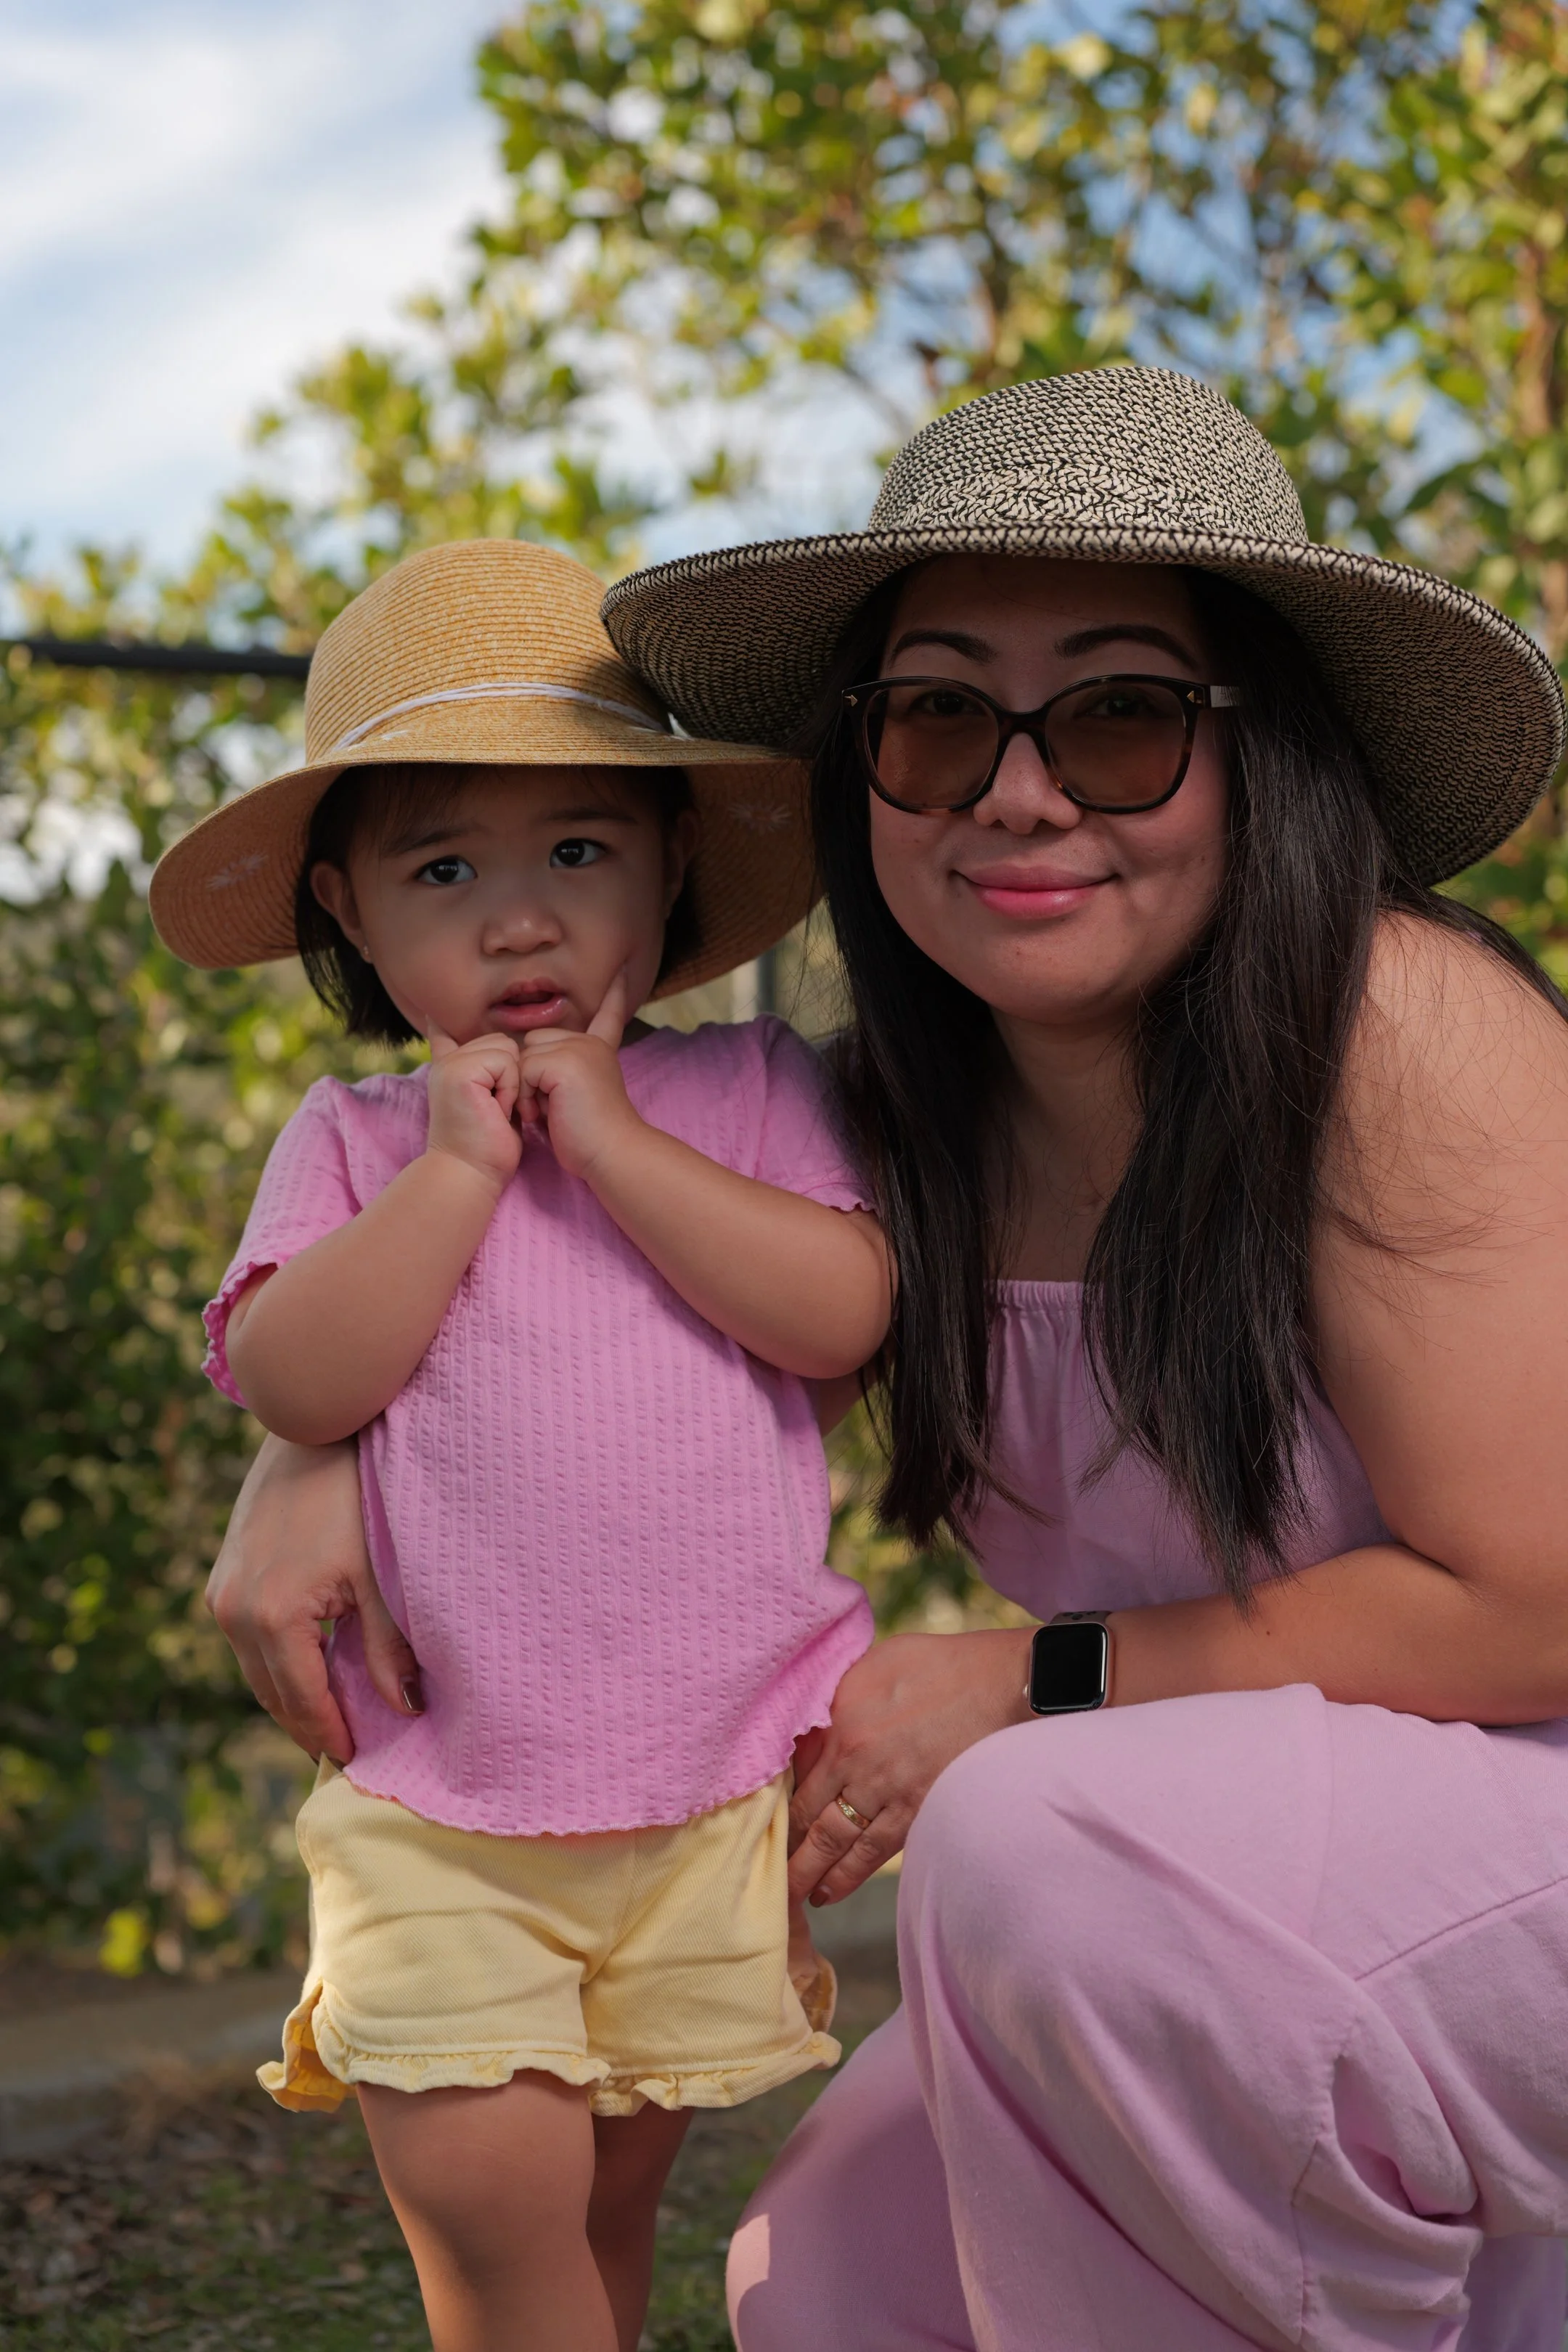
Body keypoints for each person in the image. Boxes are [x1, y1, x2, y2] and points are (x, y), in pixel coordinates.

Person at [597, 365, 1568, 2351]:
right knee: (824, 2276)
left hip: (1515, 1822)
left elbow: (1542, 1605)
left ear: (1259, 756)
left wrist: (1034, 1685)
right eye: (939, 714)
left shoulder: (1396, 1025)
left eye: (1123, 716)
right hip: (1247, 1883)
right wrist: (308, 1470)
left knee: (1040, 1845)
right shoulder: (873, 1128)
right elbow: (528, 1260)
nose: (1015, 792)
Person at [149, 538, 891, 2352]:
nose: (517, 919)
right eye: (442, 869)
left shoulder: (747, 1095)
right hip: (446, 1797)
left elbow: (839, 1314)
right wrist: (466, 1173)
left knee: (612, 2191)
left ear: (668, 868)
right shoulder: (354, 1138)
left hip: (704, 1778)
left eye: (577, 850)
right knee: (489, 2199)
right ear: (351, 910)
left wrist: (618, 1142)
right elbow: (303, 1379)